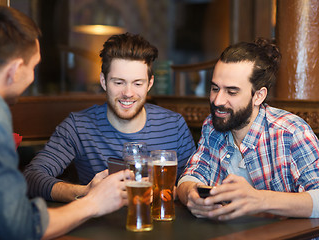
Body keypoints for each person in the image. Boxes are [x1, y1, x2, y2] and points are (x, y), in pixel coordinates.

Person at [0, 6, 128, 240]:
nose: (34, 77)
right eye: (33, 67)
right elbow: (17, 227)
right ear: (16, 69)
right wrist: (93, 203)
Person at [23, 32, 196, 202]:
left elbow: (194, 181)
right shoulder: (78, 126)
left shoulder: (175, 126)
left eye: (137, 83)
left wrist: (172, 191)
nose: (128, 93)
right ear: (104, 81)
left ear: (150, 84)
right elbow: (32, 177)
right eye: (119, 82)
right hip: (99, 227)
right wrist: (86, 192)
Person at [177, 38, 319, 220]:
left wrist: (260, 199)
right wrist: (191, 195)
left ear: (258, 96)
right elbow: (192, 175)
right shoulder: (213, 126)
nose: (218, 100)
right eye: (214, 88)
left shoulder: (291, 132)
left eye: (232, 92)